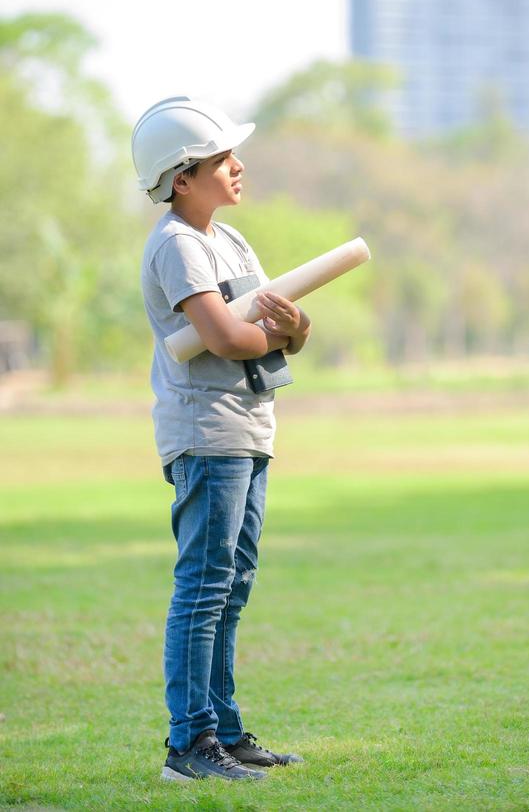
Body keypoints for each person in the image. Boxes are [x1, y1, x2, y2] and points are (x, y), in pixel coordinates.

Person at [133, 97, 311, 783]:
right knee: (204, 589)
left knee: (231, 587)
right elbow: (231, 336)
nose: (238, 167)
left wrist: (293, 327)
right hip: (207, 437)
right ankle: (189, 745)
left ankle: (226, 733)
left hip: (248, 428)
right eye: (222, 159)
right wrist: (285, 330)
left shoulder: (229, 242)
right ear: (183, 177)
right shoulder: (177, 244)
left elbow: (294, 327)